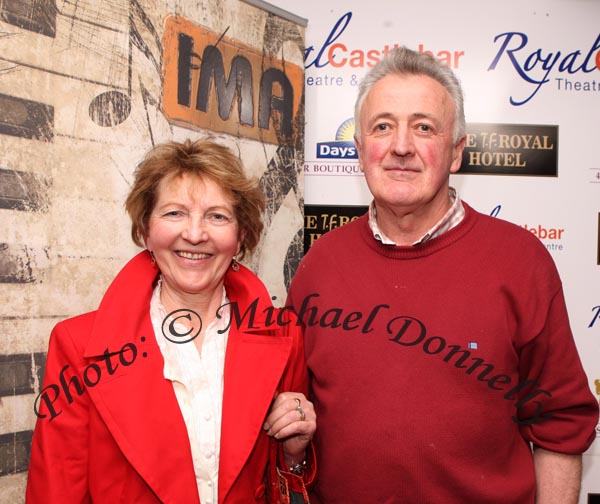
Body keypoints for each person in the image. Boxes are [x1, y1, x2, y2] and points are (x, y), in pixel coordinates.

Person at [288, 47, 598, 503]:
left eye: (424, 127)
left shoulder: (521, 261)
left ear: (456, 152)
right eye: (382, 126)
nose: (400, 146)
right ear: (359, 150)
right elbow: (293, 416)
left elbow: (560, 426)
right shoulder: (319, 264)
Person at [27, 138, 316, 503]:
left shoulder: (284, 337)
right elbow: (55, 491)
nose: (195, 234)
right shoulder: (76, 346)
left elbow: (283, 483)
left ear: (240, 235)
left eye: (217, 216)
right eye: (174, 213)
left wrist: (294, 452)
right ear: (146, 230)